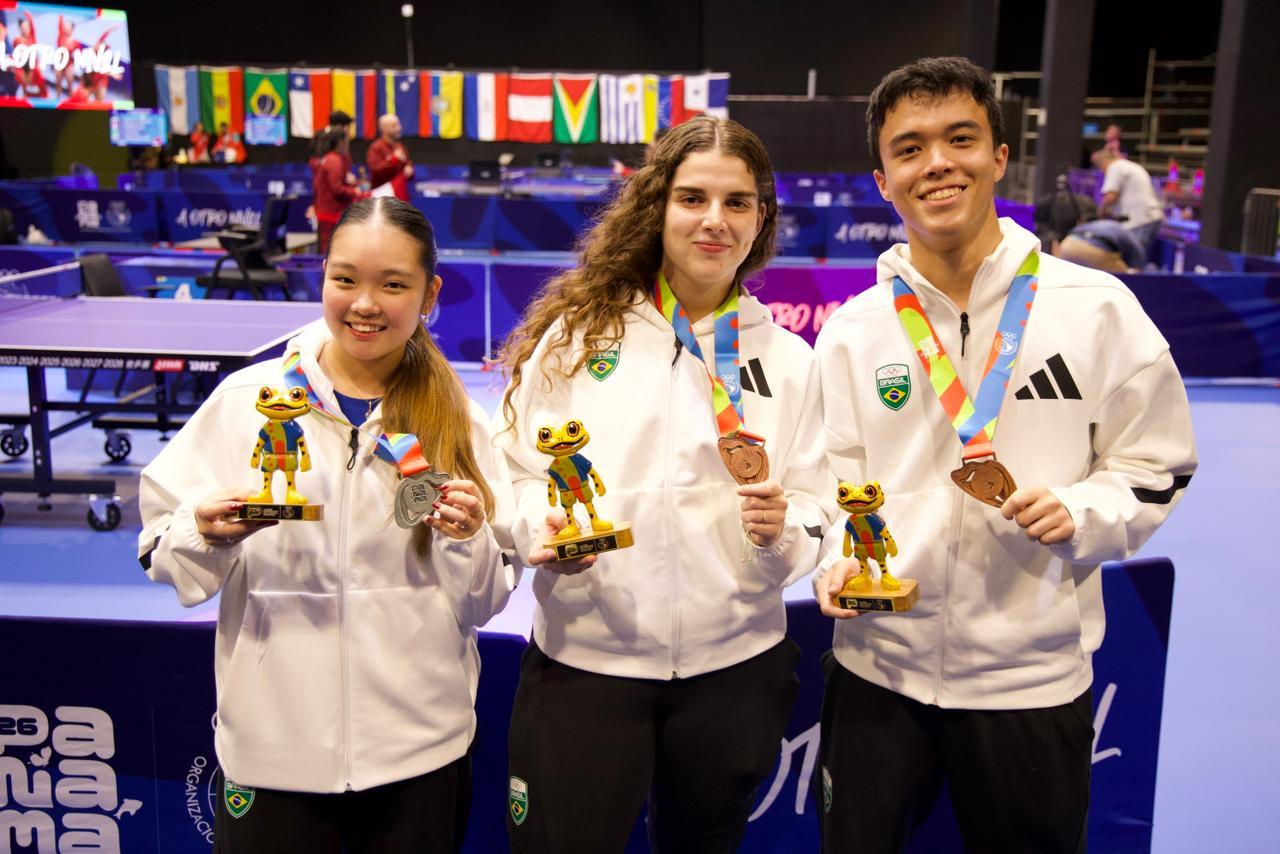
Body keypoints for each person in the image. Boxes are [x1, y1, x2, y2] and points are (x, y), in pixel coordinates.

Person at [813, 57, 1197, 854]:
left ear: (997, 156)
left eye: (961, 138)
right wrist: (832, 560)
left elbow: (1157, 466)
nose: (938, 163)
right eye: (910, 148)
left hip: (1033, 681)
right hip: (877, 674)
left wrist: (1083, 511)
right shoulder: (853, 329)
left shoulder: (1095, 308)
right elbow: (828, 487)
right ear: (883, 179)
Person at [495, 115, 832, 853]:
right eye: (693, 198)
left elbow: (818, 503)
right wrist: (538, 531)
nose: (715, 220)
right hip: (588, 662)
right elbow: (516, 470)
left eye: (737, 202)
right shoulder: (579, 338)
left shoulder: (791, 359)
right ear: (658, 207)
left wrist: (784, 537)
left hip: (734, 668)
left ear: (761, 219)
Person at [138, 197, 517, 854]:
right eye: (345, 279)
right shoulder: (244, 402)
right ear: (323, 277)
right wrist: (202, 533)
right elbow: (158, 553)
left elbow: (487, 599)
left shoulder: (460, 419)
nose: (364, 303)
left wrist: (469, 538)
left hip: (419, 753)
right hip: (272, 753)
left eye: (392, 285)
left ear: (430, 293)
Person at [1092, 147, 1164, 259]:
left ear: (1103, 163)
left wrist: (1099, 212)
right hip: (1150, 218)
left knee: (1132, 264)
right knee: (1138, 262)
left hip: (1139, 221)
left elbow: (1111, 196)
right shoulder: (1130, 166)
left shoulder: (1115, 167)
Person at [312, 128, 362, 254]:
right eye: (347, 140)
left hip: (329, 214)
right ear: (340, 142)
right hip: (331, 216)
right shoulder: (334, 160)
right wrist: (355, 192)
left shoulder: (331, 158)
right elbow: (337, 189)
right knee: (330, 253)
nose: (348, 143)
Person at [368, 114, 414, 201]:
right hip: (382, 198)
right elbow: (375, 171)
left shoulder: (400, 147)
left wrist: (409, 169)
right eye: (394, 126)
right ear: (384, 129)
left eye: (399, 125)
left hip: (399, 198)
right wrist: (393, 160)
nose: (398, 128)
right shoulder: (376, 147)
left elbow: (408, 164)